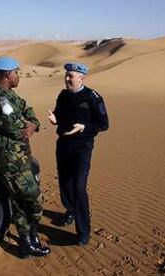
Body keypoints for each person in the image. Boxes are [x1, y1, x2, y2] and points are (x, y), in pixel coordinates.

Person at [0, 57, 50, 258]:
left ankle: (28, 242)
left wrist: (34, 124)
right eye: (16, 73)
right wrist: (29, 125)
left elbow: (28, 111)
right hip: (9, 161)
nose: (18, 76)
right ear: (6, 75)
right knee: (32, 198)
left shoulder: (10, 95)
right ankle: (29, 238)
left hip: (18, 158)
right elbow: (17, 129)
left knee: (20, 202)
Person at [47, 62, 109, 246]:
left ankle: (83, 232)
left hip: (82, 148)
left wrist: (85, 127)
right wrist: (54, 120)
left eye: (71, 76)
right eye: (66, 75)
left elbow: (104, 124)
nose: (67, 79)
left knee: (79, 188)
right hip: (63, 145)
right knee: (65, 184)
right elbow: (58, 115)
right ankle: (71, 211)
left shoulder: (92, 97)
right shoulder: (63, 95)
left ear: (81, 78)